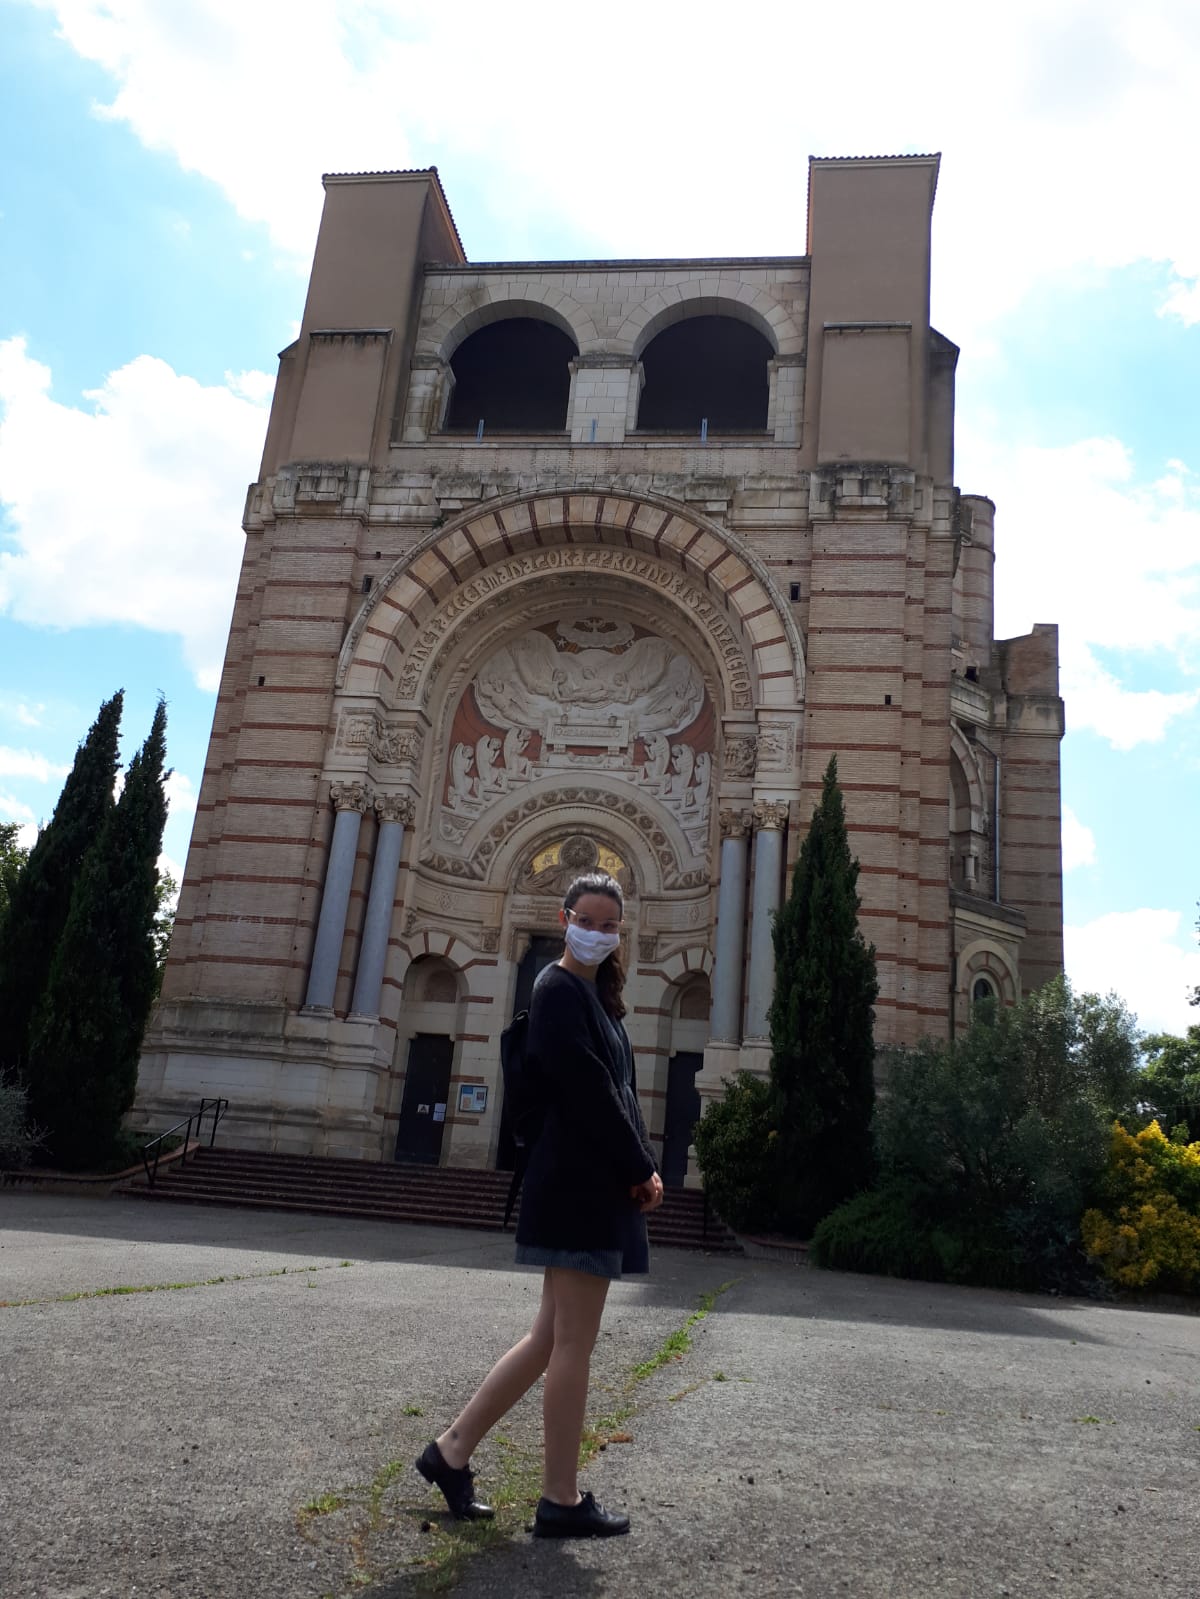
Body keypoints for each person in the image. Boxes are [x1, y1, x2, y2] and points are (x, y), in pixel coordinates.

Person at [416, 870, 664, 1538]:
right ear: (564, 919)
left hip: (584, 1181)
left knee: (549, 1337)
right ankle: (560, 1498)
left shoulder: (593, 996)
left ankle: (450, 1451)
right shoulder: (556, 989)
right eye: (588, 921)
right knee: (572, 1345)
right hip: (580, 1185)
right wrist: (639, 1165)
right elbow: (588, 1089)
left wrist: (641, 1160)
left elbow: (617, 1089)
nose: (597, 933)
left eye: (609, 925)